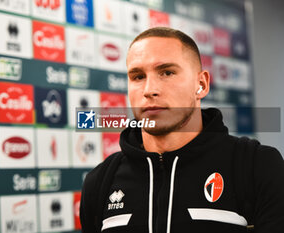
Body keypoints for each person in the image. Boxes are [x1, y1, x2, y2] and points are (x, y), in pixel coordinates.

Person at [80, 27, 284, 233]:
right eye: (138, 76)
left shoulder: (257, 166)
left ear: (201, 84)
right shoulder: (100, 181)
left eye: (167, 72)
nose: (149, 90)